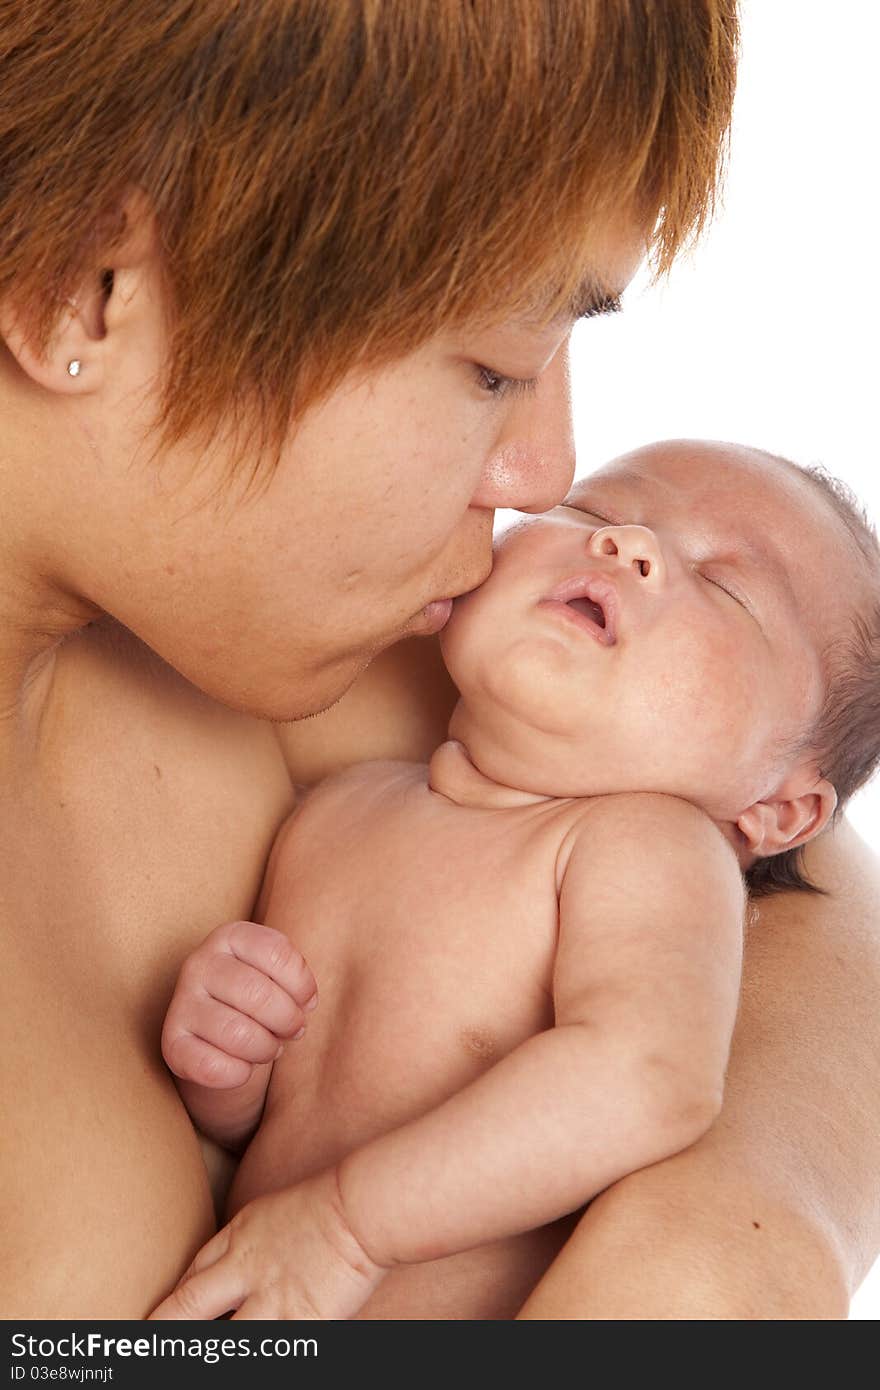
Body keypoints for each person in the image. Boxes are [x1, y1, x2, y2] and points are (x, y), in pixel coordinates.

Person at [1, 3, 877, 1321]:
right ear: (85, 286)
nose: (550, 476)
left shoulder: (295, 652)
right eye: (490, 366)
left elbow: (800, 871)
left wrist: (737, 1222)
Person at [151, 440, 880, 1320]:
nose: (629, 545)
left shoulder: (645, 847)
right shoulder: (334, 816)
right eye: (595, 513)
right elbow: (288, 1122)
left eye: (727, 586)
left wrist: (348, 1226)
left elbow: (648, 1078)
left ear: (780, 812)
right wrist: (228, 1062)